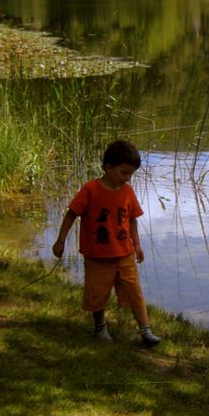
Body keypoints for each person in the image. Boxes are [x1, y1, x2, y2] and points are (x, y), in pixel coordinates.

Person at [52, 140, 161, 347]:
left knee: (134, 290)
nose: (127, 178)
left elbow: (131, 219)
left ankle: (145, 329)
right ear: (107, 167)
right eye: (123, 173)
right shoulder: (90, 189)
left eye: (130, 174)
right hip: (97, 255)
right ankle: (100, 327)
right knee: (98, 293)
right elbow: (72, 214)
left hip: (124, 253)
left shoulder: (127, 192)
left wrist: (136, 244)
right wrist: (60, 240)